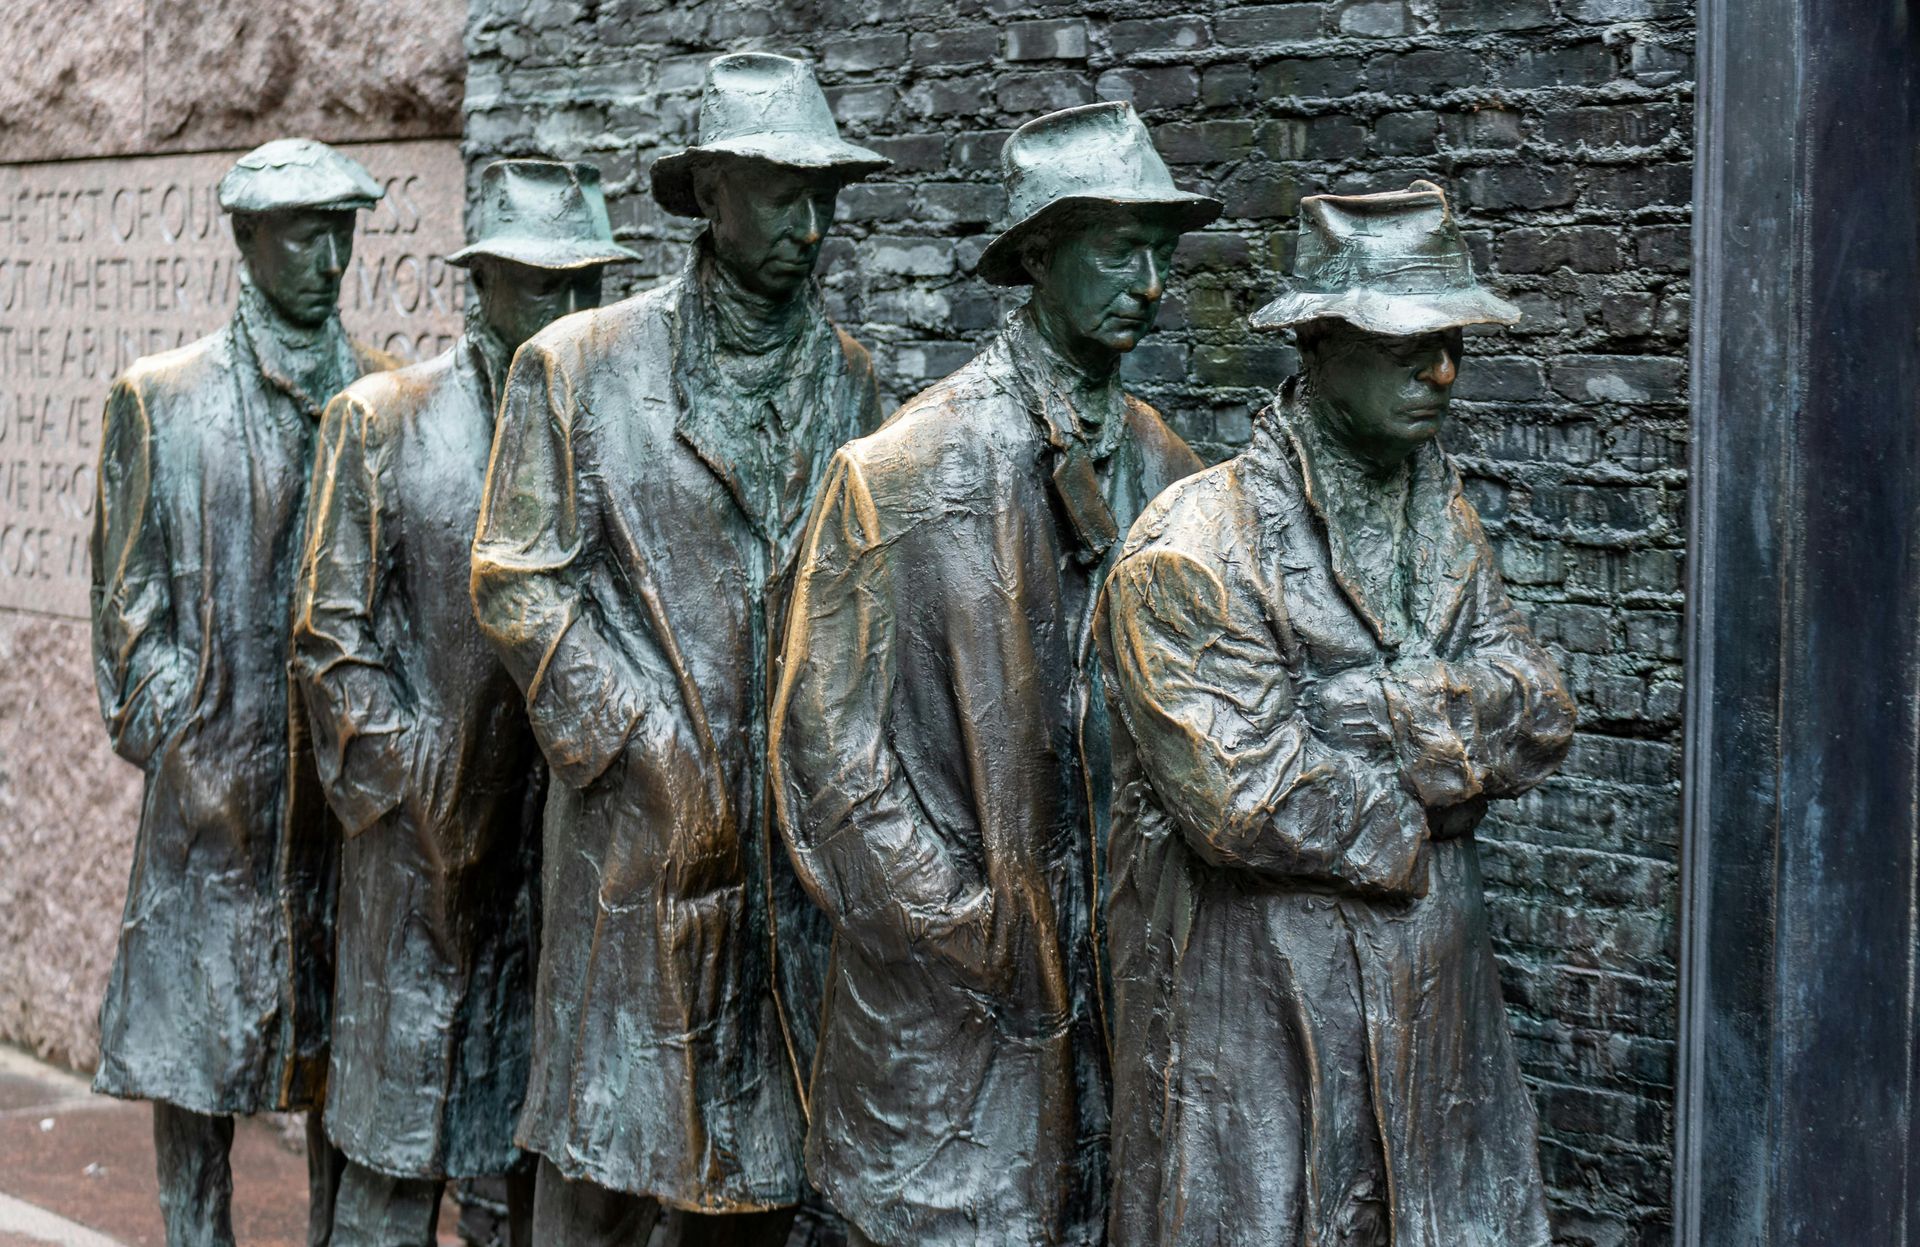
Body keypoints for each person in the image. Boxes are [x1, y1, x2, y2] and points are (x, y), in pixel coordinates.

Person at [770, 101, 1219, 1247]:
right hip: (950, 997)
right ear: (1037, 256)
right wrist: (961, 921)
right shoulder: (904, 468)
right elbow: (826, 742)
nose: (1153, 283)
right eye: (1120, 248)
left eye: (1162, 249)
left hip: (1115, 982)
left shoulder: (1173, 471)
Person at [1096, 180, 1576, 1246]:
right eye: (1409, 342)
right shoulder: (1196, 545)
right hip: (1264, 1022)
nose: (1444, 368)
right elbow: (1247, 796)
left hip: (1439, 1022)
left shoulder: (1440, 513)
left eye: (1450, 339)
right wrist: (1433, 808)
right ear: (1320, 344)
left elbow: (1540, 707)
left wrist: (1376, 708)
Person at [468, 53, 888, 1247]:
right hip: (634, 844)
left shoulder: (851, 380)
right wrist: (643, 742)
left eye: (826, 196)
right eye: (781, 191)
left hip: (789, 853)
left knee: (756, 1173)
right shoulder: (581, 365)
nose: (812, 224)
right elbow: (516, 580)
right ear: (709, 192)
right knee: (605, 1162)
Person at [294, 159, 638, 1247]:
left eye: (586, 284)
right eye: (543, 284)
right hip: (416, 866)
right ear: (480, 282)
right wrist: (409, 772)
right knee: (397, 1157)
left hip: (562, 860)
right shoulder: (380, 420)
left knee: (536, 1159)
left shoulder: (612, 431)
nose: (570, 310)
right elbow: (327, 636)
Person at [89, 138, 395, 1247]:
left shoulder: (384, 393)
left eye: (343, 230)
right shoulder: (161, 401)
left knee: (343, 1068)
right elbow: (125, 610)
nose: (330, 256)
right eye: (305, 233)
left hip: (344, 805)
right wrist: (178, 724)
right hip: (210, 805)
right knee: (197, 1073)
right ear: (248, 239)